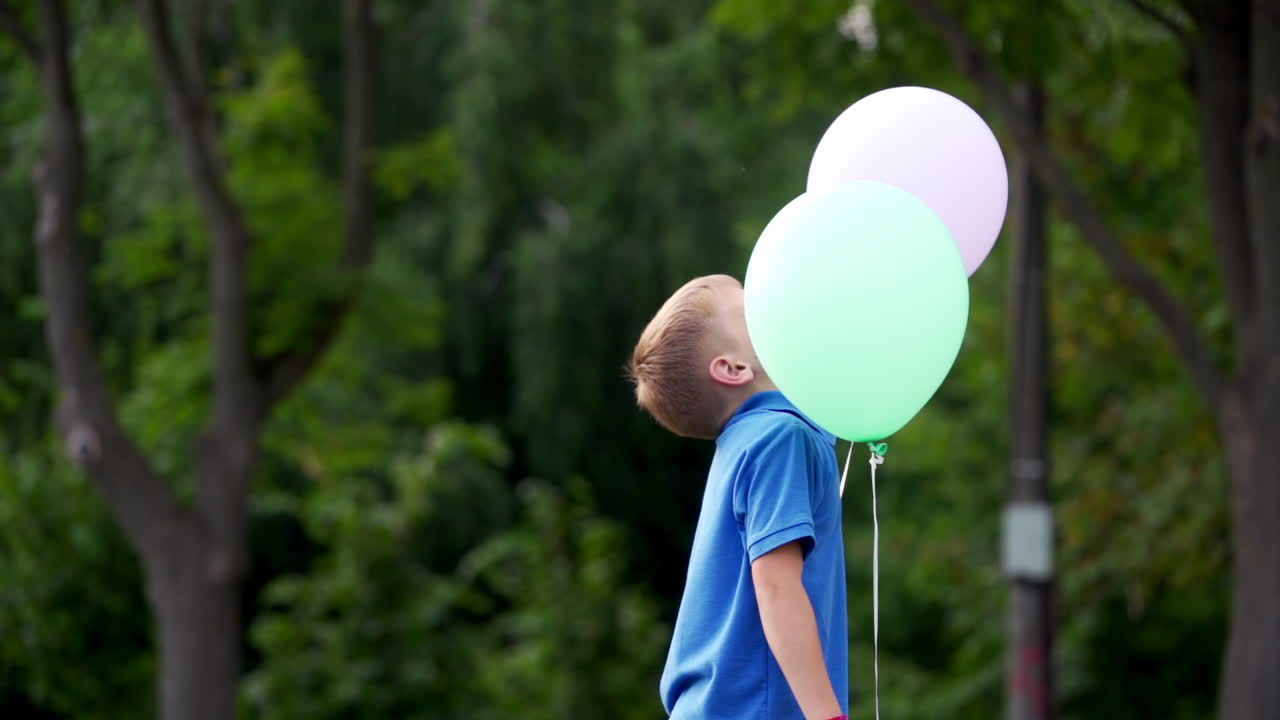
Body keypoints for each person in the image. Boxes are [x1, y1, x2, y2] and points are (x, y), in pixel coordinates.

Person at [627, 274, 848, 720]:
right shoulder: (776, 439)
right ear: (733, 368)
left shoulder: (750, 440)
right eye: (751, 310)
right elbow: (776, 586)